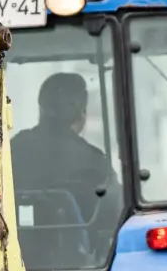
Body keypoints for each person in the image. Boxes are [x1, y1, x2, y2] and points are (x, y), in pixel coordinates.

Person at [9, 71, 118, 234]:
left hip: (13, 250)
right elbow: (116, 210)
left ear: (42, 110)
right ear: (81, 112)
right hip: (82, 257)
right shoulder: (95, 162)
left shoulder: (12, 149)